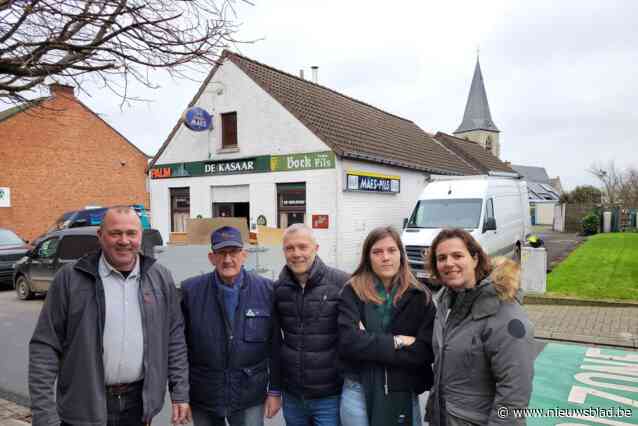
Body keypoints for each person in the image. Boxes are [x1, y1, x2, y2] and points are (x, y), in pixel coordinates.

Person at [29, 206, 190, 426]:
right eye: (115, 233)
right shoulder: (70, 279)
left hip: (138, 406)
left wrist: (179, 391)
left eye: (131, 233)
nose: (124, 240)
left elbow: (174, 338)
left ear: (140, 236)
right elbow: (44, 346)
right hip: (83, 408)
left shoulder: (160, 278)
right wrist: (44, 415)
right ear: (100, 236)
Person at [425, 228, 535, 426]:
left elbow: (513, 394)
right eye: (441, 258)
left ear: (475, 259)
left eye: (457, 255)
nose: (449, 263)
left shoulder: (505, 314)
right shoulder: (444, 302)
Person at [180, 226, 281, 426]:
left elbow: (276, 345)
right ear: (211, 257)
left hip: (249, 394)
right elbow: (179, 349)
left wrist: (275, 390)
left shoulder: (266, 290)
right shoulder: (191, 291)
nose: (227, 260)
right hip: (204, 394)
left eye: (233, 252)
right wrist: (180, 395)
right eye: (221, 253)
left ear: (244, 255)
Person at [338, 226, 435, 426]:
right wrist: (399, 341)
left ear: (401, 254)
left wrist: (368, 342)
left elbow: (425, 351)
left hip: (402, 389)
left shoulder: (420, 296)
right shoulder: (352, 291)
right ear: (368, 257)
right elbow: (349, 342)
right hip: (358, 389)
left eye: (391, 250)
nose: (385, 257)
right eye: (377, 252)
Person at [272, 223, 350, 426]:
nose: (296, 253)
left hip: (330, 396)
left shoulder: (341, 283)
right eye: (290, 248)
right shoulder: (278, 289)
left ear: (316, 248)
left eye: (302, 247)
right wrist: (276, 388)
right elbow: (275, 342)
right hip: (293, 396)